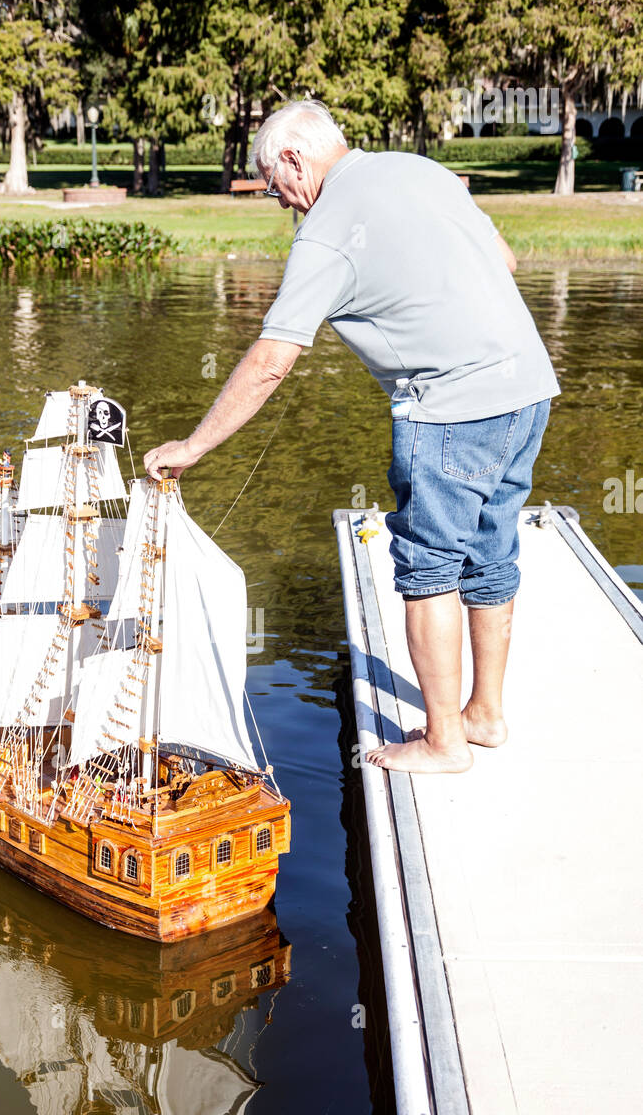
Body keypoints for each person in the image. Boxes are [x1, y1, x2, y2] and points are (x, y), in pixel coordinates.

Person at [144, 100, 559, 775]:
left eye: (275, 184)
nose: (282, 202)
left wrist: (193, 447)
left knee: (430, 572)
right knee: (492, 557)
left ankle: (444, 742)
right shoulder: (418, 169)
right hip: (527, 390)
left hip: (450, 409)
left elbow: (272, 360)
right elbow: (505, 262)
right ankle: (485, 714)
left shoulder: (325, 230)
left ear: (293, 159)